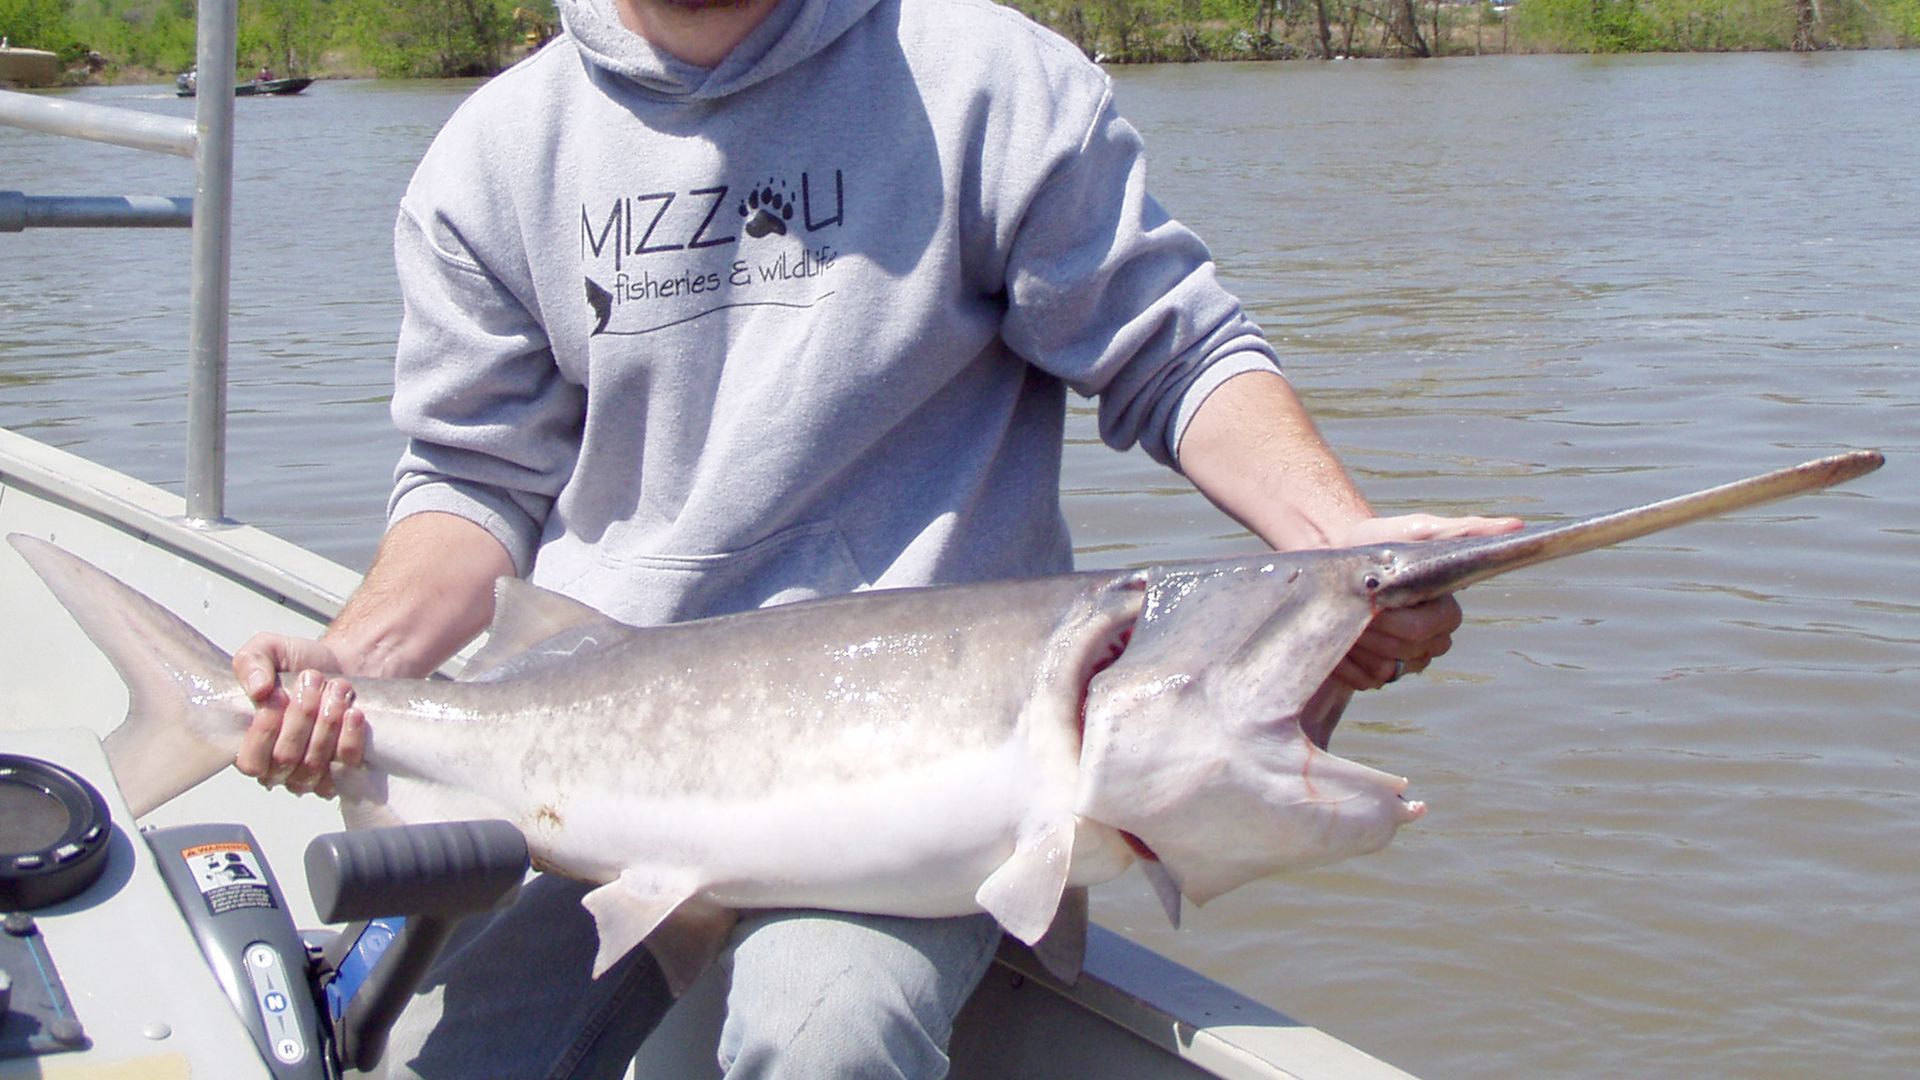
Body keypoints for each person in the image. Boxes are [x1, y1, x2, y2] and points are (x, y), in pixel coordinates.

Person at [231, 0, 1520, 1075]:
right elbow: (470, 485)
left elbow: (1175, 355)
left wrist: (1345, 558)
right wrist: (344, 670)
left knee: (821, 1038)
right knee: (455, 1065)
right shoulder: (493, 158)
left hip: (934, 780)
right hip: (594, 754)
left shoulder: (984, 80)